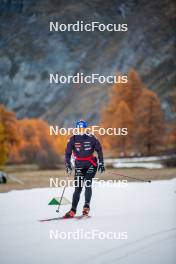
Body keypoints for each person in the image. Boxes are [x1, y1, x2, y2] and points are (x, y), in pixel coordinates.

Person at [64, 120, 105, 218]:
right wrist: (68, 165)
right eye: (79, 128)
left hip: (91, 165)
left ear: (86, 128)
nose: (81, 130)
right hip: (79, 166)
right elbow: (67, 154)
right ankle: (73, 210)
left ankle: (86, 207)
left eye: (83, 128)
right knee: (77, 188)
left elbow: (99, 150)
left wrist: (101, 163)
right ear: (76, 129)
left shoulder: (92, 138)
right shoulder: (72, 139)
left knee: (87, 183)